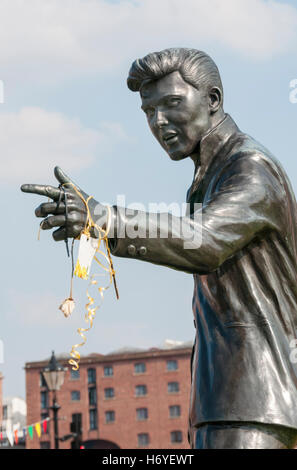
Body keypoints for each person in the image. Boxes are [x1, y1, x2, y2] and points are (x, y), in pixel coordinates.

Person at [21, 48, 297, 449]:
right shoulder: (212, 176)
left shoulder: (249, 166)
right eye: (149, 111)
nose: (159, 122)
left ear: (213, 100)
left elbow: (204, 240)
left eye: (171, 104)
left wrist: (106, 219)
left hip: (256, 401)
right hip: (227, 403)